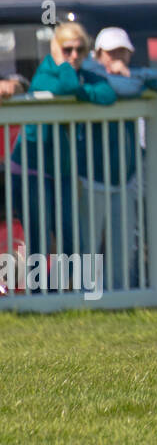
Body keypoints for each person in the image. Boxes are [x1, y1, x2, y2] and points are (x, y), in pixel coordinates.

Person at [10, 22, 115, 272]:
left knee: (71, 237)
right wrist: (65, 66)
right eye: (67, 49)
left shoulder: (84, 74)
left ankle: (72, 296)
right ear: (55, 49)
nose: (74, 56)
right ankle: (38, 300)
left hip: (63, 171)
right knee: (39, 239)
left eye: (80, 50)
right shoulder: (46, 71)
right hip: (31, 168)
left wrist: (82, 90)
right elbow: (66, 87)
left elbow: (107, 94)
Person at [79, 27, 157, 289]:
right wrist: (129, 80)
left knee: (124, 244)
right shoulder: (87, 71)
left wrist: (132, 75)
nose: (117, 58)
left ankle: (120, 298)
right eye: (111, 53)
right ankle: (85, 298)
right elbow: (126, 89)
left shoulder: (131, 72)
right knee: (88, 243)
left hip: (125, 176)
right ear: (98, 54)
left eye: (123, 52)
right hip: (91, 176)